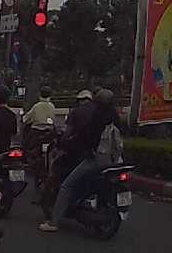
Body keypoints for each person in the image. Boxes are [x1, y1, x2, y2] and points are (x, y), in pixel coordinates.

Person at [40, 88, 121, 233]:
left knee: (66, 186)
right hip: (115, 160)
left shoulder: (96, 117)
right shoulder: (115, 117)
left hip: (96, 159)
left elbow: (82, 136)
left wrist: (68, 143)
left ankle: (53, 222)